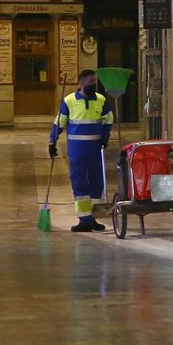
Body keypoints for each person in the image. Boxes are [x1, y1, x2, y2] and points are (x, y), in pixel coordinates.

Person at [49, 69, 115, 232]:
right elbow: (59, 123)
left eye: (95, 81)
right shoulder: (69, 101)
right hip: (77, 151)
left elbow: (108, 119)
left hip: (95, 150)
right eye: (90, 81)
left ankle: (91, 217)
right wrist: (52, 141)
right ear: (81, 83)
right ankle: (84, 220)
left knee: (97, 183)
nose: (94, 84)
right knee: (79, 185)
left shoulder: (101, 100)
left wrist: (105, 136)